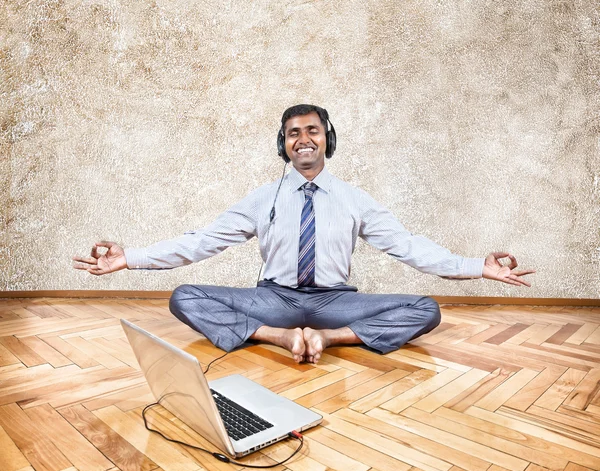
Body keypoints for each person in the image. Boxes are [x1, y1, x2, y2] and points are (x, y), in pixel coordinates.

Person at [73, 104, 535, 364]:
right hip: (276, 300)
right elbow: (201, 241)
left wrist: (478, 267)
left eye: (311, 131)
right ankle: (279, 337)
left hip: (336, 302)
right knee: (184, 297)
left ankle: (328, 340)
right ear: (284, 145)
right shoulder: (262, 199)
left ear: (326, 140)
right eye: (293, 133)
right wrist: (128, 258)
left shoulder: (355, 199)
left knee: (425, 310)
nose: (303, 139)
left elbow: (410, 247)